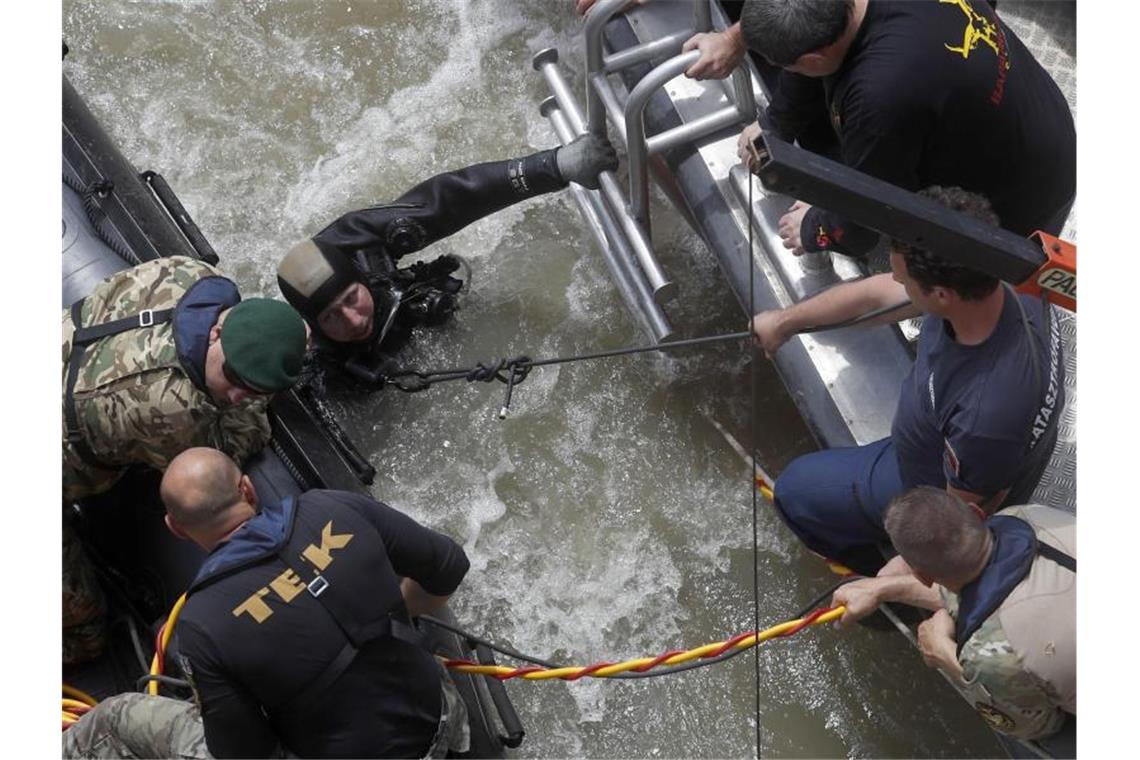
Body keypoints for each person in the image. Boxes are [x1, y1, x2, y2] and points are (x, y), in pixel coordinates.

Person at [751, 186, 1065, 575]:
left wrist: (898, 576)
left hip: (930, 481)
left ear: (941, 295)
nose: (896, 281)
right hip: (949, 439)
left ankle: (871, 573)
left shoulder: (987, 417)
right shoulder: (999, 271)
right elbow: (876, 297)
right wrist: (784, 322)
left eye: (904, 280)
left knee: (796, 492)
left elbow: (956, 524)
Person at [62, 256, 307, 664]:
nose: (235, 396)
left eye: (252, 388)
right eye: (232, 377)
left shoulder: (192, 274)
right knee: (86, 629)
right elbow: (225, 457)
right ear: (216, 333)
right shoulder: (171, 405)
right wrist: (257, 405)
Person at [157, 447, 471, 758]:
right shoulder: (332, 505)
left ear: (176, 529)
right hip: (441, 721)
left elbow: (244, 752)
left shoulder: (201, 622)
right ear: (248, 489)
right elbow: (449, 566)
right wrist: (401, 610)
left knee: (115, 716)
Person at [732, 0, 1075, 258]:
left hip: (1021, 199)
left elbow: (868, 217)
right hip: (1040, 114)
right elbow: (813, 50)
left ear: (812, 62)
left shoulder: (877, 98)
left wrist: (815, 228)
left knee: (966, 276)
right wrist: (773, 124)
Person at [277, 134, 617, 391]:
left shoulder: (358, 239)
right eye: (332, 317)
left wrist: (552, 166)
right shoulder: (301, 347)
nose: (352, 320)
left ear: (362, 279)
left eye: (352, 299)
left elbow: (451, 198)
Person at [830, 487, 1075, 740]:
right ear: (976, 512)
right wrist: (883, 588)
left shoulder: (987, 654)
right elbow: (994, 584)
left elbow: (1039, 726)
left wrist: (946, 656)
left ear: (921, 576)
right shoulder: (1029, 517)